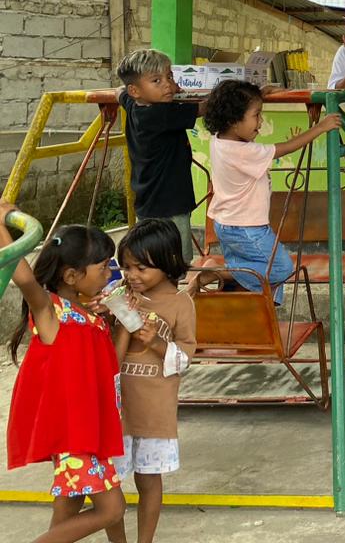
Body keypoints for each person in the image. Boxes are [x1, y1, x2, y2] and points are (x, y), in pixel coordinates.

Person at [2, 218, 126, 542]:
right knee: (113, 509)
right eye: (103, 267)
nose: (109, 274)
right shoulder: (51, 312)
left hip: (93, 431)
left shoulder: (90, 315)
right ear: (71, 276)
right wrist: (1, 223)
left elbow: (109, 366)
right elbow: (24, 278)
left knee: (67, 514)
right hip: (75, 437)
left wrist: (120, 323)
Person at [204, 80, 343, 302]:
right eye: (256, 115)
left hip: (226, 223)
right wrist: (320, 128)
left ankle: (260, 314)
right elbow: (284, 149)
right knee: (280, 269)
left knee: (258, 279)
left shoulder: (219, 139)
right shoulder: (243, 151)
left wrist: (258, 95)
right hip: (247, 228)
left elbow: (235, 109)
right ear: (233, 120)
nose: (260, 122)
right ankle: (216, 272)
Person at [112, 220, 196, 543]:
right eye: (126, 267)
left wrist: (158, 343)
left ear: (167, 261)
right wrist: (114, 315)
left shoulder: (180, 304)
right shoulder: (121, 296)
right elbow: (110, 357)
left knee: (148, 479)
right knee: (110, 482)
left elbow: (185, 357)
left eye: (141, 268)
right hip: (118, 408)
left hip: (154, 410)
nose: (132, 275)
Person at [117, 48, 204, 265]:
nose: (167, 85)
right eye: (156, 80)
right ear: (135, 90)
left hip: (147, 201)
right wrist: (246, 92)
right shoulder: (161, 114)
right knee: (176, 262)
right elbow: (205, 108)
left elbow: (119, 93)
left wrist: (173, 90)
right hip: (171, 203)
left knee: (152, 258)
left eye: (170, 77)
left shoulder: (134, 105)